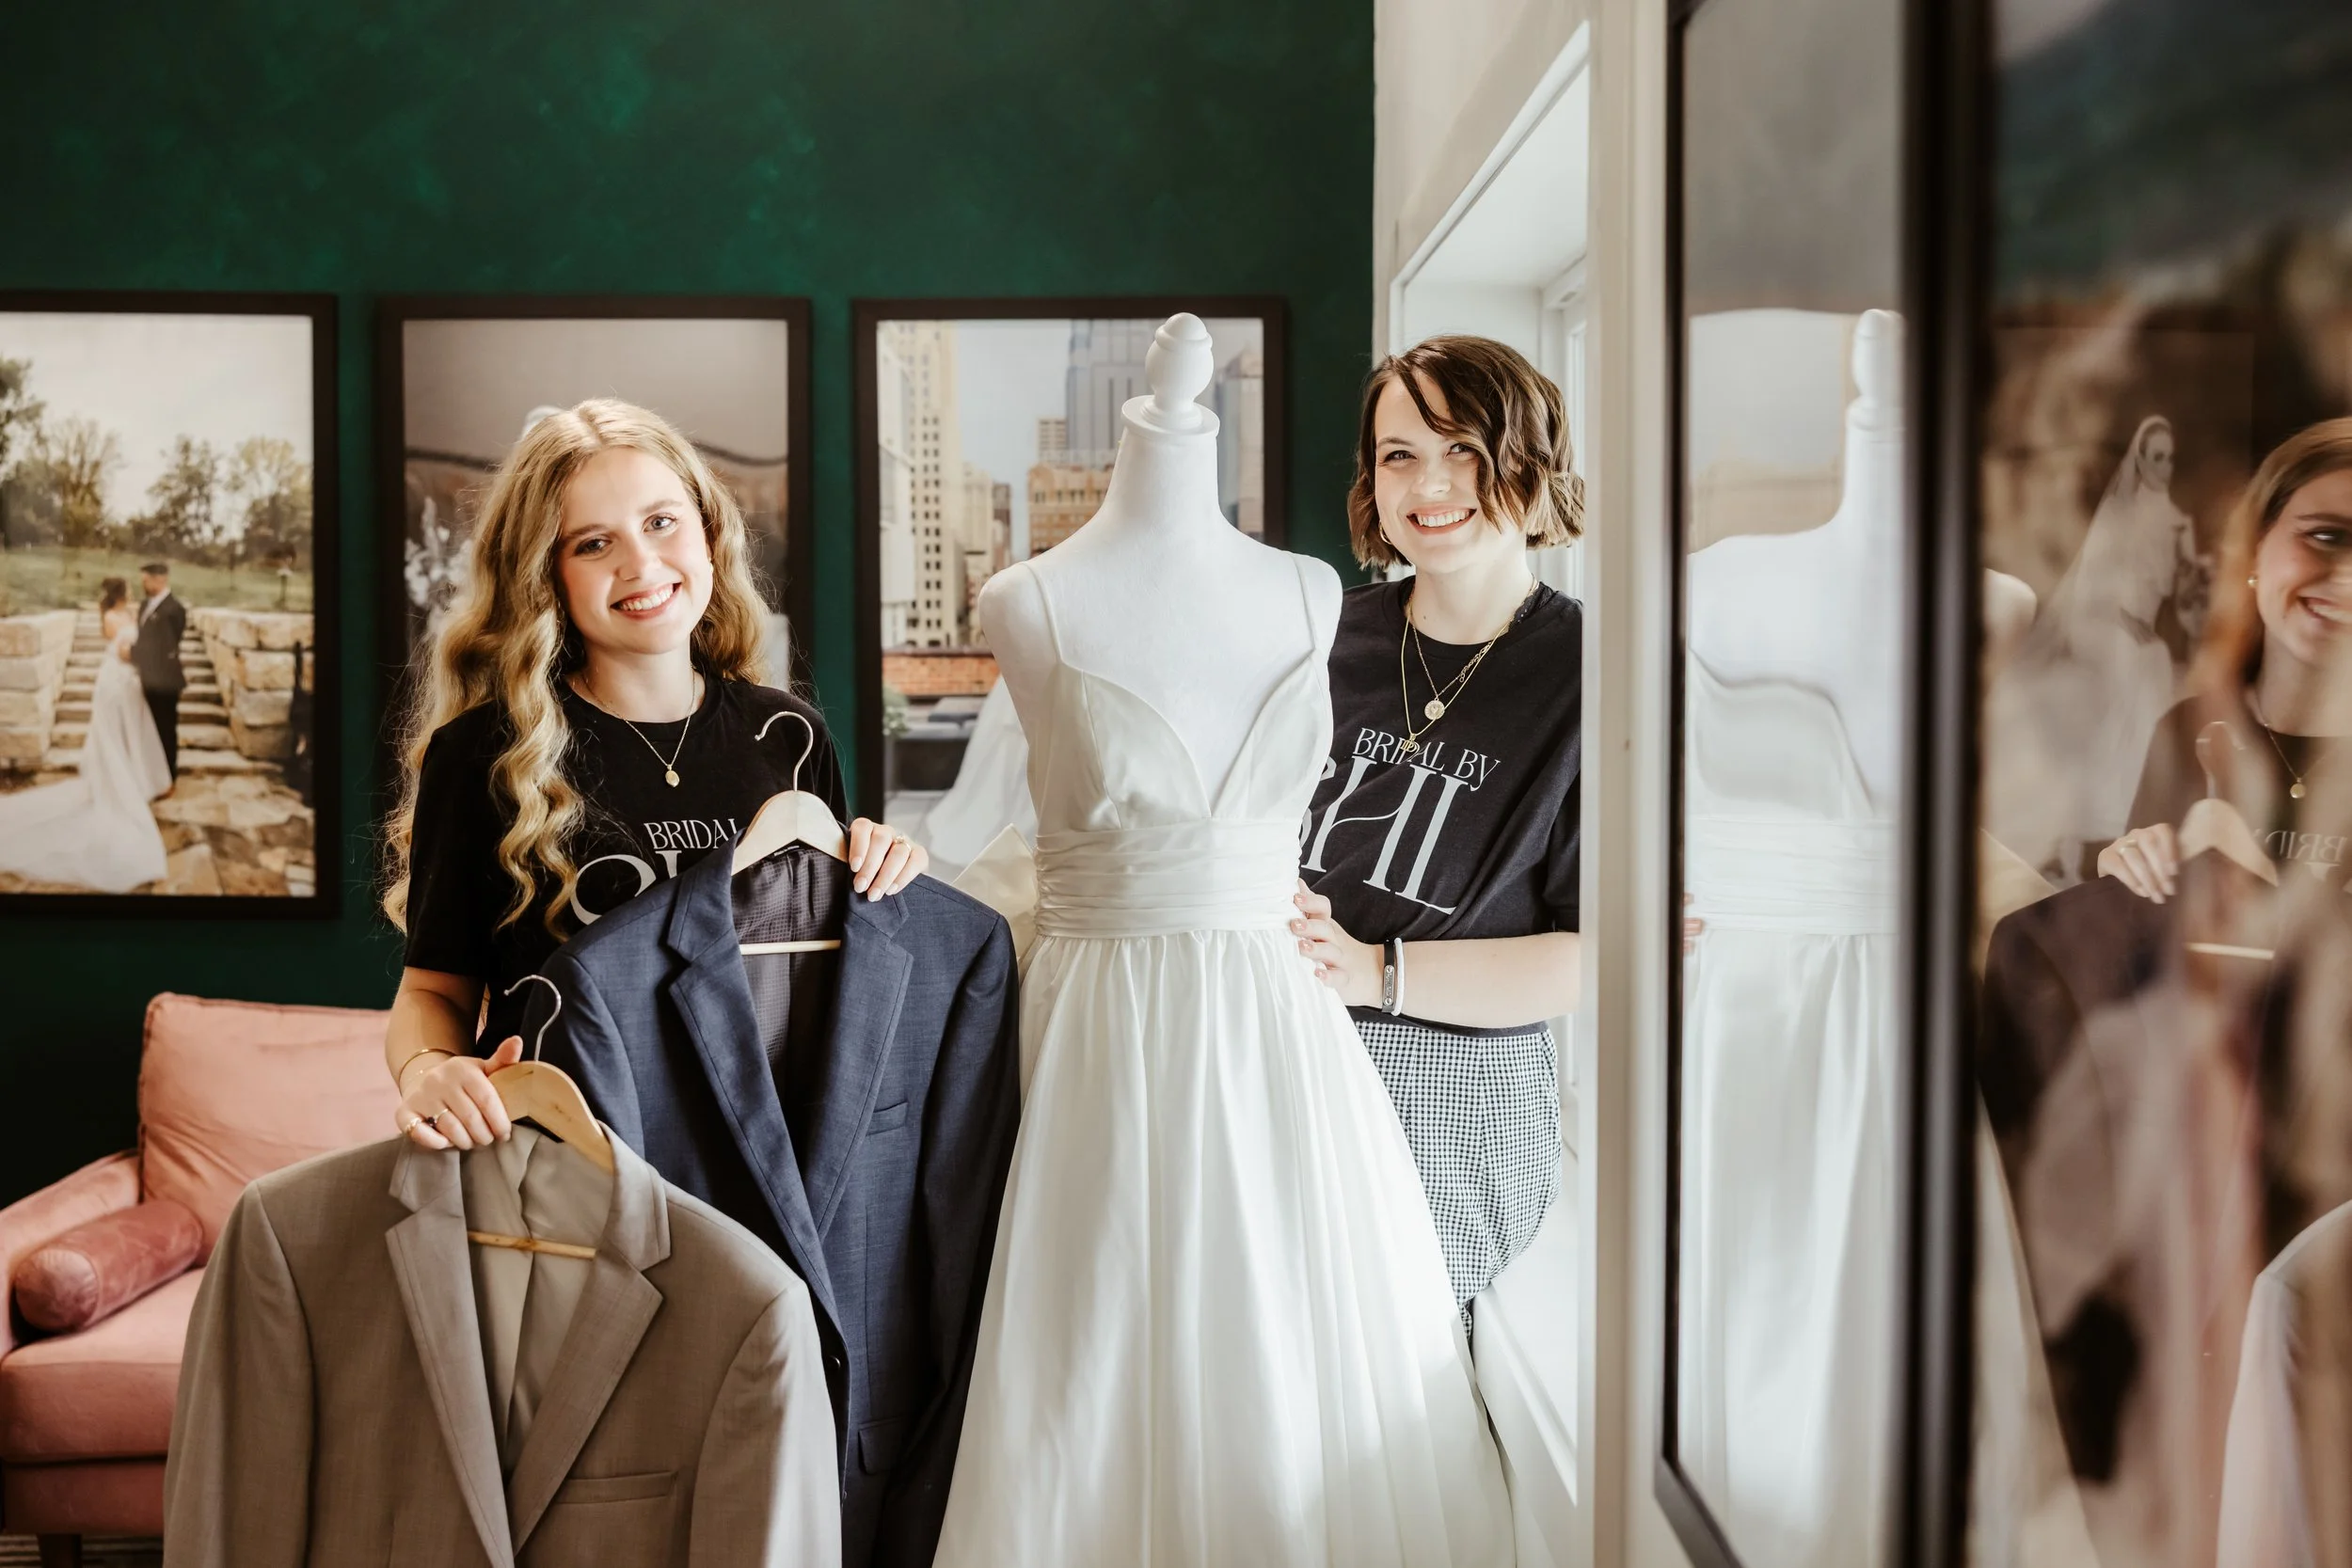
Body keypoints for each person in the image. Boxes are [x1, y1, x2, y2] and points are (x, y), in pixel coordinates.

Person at [380, 398, 927, 1149]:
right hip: (567, 1163)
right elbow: (434, 990)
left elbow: (827, 977)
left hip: (762, 1163)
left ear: (708, 531)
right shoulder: (485, 754)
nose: (640, 564)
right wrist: (427, 1068)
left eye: (661, 522)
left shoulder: (789, 737)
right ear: (546, 576)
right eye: (593, 543)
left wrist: (880, 870)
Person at [1290, 336, 1590, 1326]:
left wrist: (1374, 970)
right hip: (1276, 1045)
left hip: (1454, 1086)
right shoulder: (1321, 632)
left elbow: (1604, 955)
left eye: (1463, 447)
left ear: (1528, 461)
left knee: (1390, 1354)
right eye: (1399, 454)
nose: (1430, 484)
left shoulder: (1596, 670)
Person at [2099, 418, 2352, 900]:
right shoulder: (2186, 731)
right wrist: (2123, 880)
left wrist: (2261, 879)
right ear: (2255, 547)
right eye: (2327, 537)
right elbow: (2150, 956)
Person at [1982, 414, 2199, 879]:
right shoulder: (2117, 520)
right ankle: (2087, 839)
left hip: (2143, 641)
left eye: (2168, 457)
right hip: (2117, 636)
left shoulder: (2176, 521)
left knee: (2149, 672)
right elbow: (2098, 586)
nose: (2161, 464)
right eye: (2154, 455)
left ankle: (2122, 831)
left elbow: (2176, 580)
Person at [0, 577, 172, 892]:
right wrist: (145, 656)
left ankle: (136, 775)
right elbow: (122, 651)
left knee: (130, 732)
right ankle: (115, 780)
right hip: (115, 681)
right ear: (121, 593)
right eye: (129, 589)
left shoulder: (130, 613)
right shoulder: (109, 617)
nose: (133, 592)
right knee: (110, 735)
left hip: (130, 683)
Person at [132, 560, 186, 781]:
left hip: (165, 679)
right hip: (148, 677)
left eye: (146, 580)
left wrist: (132, 653)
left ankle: (168, 777)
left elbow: (165, 646)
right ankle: (151, 773)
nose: (143, 584)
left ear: (161, 579)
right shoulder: (145, 605)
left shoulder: (175, 609)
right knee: (149, 728)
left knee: (165, 728)